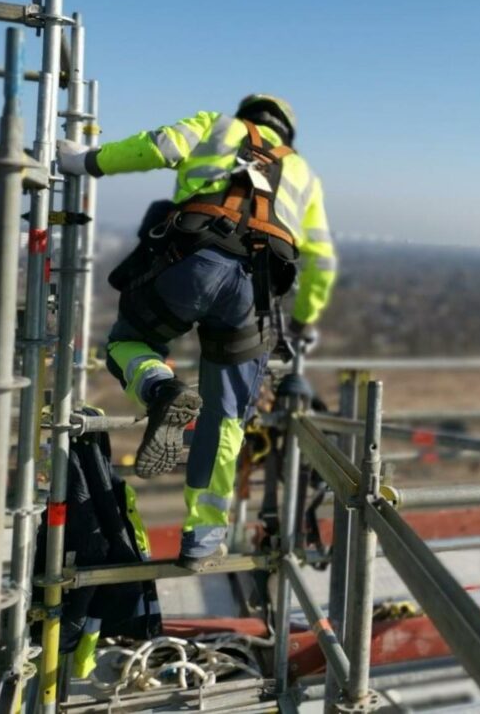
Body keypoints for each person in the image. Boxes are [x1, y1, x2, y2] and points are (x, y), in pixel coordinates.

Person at [57, 94, 336, 567]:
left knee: (130, 343)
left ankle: (159, 385)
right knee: (226, 419)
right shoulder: (304, 174)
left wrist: (85, 162)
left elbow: (157, 147)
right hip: (255, 292)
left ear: (249, 115)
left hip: (192, 261)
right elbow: (322, 263)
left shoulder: (217, 125)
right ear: (286, 132)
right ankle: (203, 540)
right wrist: (305, 321)